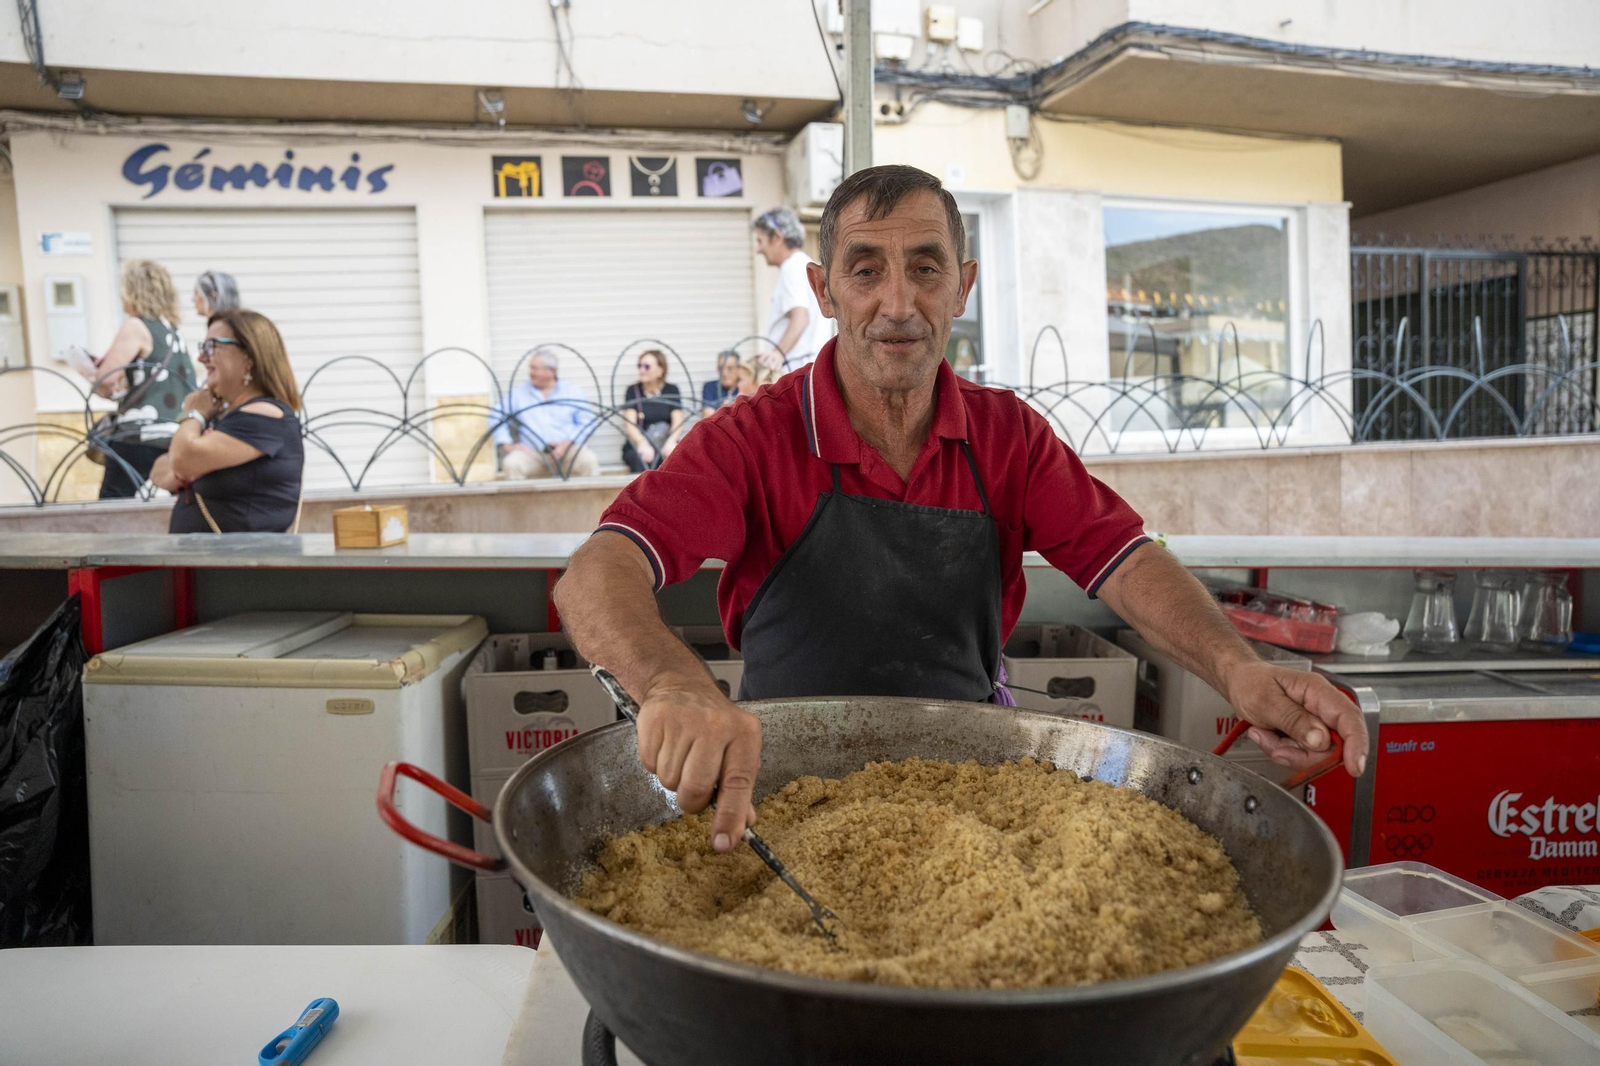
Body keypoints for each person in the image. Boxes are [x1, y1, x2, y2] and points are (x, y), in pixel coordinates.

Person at [554, 164, 1370, 853]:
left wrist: (1238, 668)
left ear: (963, 287)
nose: (898, 303)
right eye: (866, 270)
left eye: (926, 268)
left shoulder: (1009, 435)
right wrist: (671, 680)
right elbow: (597, 570)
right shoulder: (752, 437)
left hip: (975, 799)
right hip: (783, 800)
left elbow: (1124, 561)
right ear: (825, 290)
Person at [152, 309, 305, 534]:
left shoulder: (265, 417)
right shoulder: (227, 417)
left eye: (212, 346)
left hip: (242, 556)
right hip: (210, 554)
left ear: (249, 355)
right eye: (203, 347)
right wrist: (189, 462)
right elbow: (159, 470)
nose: (202, 358)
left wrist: (194, 413)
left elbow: (181, 458)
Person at [81, 260, 197, 499]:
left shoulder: (136, 326)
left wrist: (89, 370)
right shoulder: (172, 330)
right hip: (173, 433)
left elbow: (106, 380)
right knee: (163, 503)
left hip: (139, 435)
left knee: (115, 503)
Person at [751, 206, 831, 384]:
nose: (758, 250)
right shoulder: (802, 264)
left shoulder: (792, 268)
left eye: (760, 241)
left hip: (797, 371)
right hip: (807, 369)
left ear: (777, 237)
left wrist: (777, 353)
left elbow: (800, 317)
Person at [493, 349, 602, 478]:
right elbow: (496, 416)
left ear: (551, 371)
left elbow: (587, 422)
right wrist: (508, 445)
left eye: (535, 368)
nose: (531, 373)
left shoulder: (572, 391)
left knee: (588, 461)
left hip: (568, 451)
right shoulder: (519, 393)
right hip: (533, 453)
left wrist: (567, 443)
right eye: (530, 368)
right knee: (512, 463)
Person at [620, 349, 684, 473]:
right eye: (639, 366)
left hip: (665, 441)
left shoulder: (671, 390)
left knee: (675, 459)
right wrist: (642, 443)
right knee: (641, 459)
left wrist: (671, 442)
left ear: (660, 370)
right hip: (640, 442)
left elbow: (678, 421)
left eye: (647, 366)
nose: (641, 370)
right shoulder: (633, 391)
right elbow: (630, 424)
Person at [700, 350, 744, 417]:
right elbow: (709, 417)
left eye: (730, 368)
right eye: (721, 368)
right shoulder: (710, 387)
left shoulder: (745, 387)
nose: (724, 373)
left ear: (739, 369)